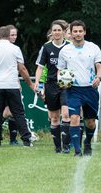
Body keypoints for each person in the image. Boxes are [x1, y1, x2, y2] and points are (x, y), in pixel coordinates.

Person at [57, 20, 101, 157]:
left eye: (80, 31)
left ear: (84, 32)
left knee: (90, 123)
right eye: (75, 31)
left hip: (90, 89)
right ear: (70, 33)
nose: (78, 34)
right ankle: (77, 151)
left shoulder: (93, 48)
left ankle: (87, 142)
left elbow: (100, 66)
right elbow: (60, 71)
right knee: (75, 118)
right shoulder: (65, 51)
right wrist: (62, 82)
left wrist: (98, 78)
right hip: (73, 90)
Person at [34, 20, 71, 153]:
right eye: (54, 30)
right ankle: (57, 147)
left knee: (66, 114)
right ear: (51, 32)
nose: (56, 32)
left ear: (63, 32)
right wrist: (37, 82)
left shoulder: (70, 46)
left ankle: (66, 146)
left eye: (59, 30)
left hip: (66, 84)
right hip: (51, 84)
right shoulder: (46, 47)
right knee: (54, 117)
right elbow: (40, 67)